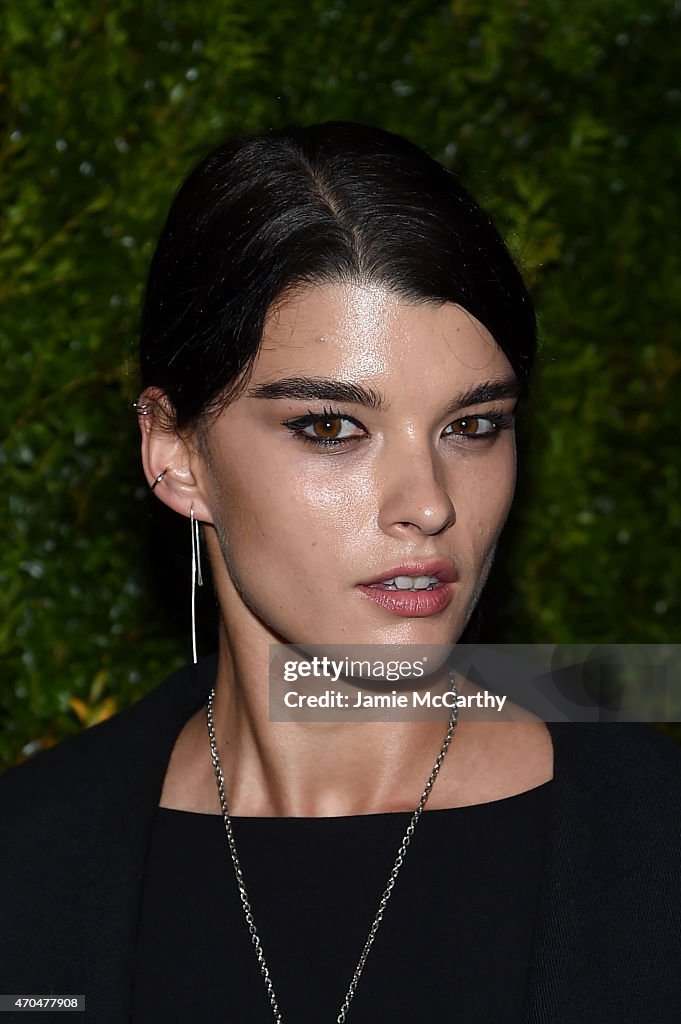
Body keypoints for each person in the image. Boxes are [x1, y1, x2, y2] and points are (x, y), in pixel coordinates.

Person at [1, 122, 680, 1024]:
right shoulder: (28, 856)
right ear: (175, 455)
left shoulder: (652, 838)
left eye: (472, 426)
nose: (427, 504)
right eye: (331, 427)